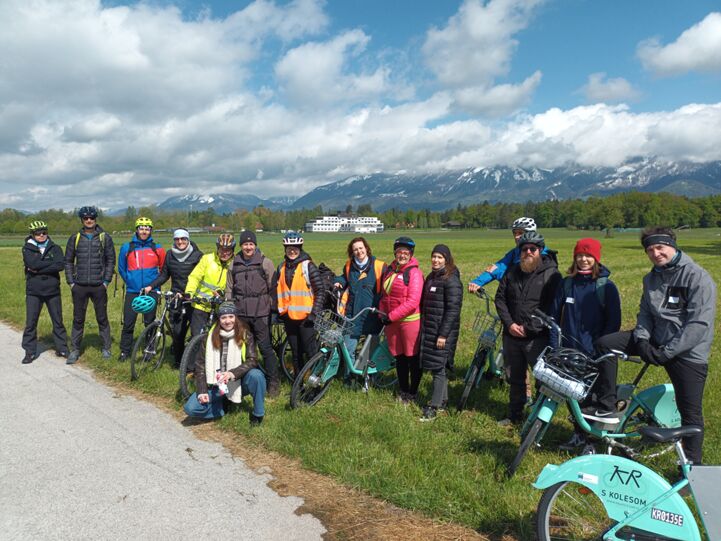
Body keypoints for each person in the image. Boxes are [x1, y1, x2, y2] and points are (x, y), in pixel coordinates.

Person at [595, 227, 716, 465]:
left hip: (688, 352)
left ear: (673, 245)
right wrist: (641, 341)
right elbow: (646, 314)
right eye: (650, 249)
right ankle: (607, 405)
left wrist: (665, 353)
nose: (655, 253)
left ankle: (692, 465)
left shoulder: (697, 277)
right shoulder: (650, 278)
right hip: (654, 340)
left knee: (690, 413)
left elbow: (698, 325)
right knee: (604, 344)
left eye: (660, 247)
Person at [549, 238, 622, 449]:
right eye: (580, 255)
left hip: (595, 351)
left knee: (592, 396)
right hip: (569, 350)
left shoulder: (606, 287)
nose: (583, 260)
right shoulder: (567, 284)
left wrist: (601, 347)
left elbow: (613, 322)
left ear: (596, 259)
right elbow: (554, 316)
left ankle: (591, 438)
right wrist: (555, 347)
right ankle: (578, 435)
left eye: (588, 256)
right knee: (574, 395)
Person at [495, 231, 561, 425]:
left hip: (537, 338)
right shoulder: (512, 271)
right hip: (511, 336)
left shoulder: (552, 274)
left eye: (533, 248)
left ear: (540, 250)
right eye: (524, 249)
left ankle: (538, 420)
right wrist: (510, 324)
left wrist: (529, 328)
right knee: (514, 378)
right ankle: (515, 416)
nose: (528, 252)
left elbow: (551, 306)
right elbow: (500, 299)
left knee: (542, 381)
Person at [183, 301, 266, 425]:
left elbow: (252, 360)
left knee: (257, 376)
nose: (228, 321)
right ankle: (222, 407)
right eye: (224, 317)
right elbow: (200, 365)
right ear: (219, 319)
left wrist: (232, 373)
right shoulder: (209, 337)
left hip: (238, 383)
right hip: (216, 385)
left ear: (236, 317)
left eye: (231, 317)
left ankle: (258, 414)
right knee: (190, 408)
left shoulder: (245, 334)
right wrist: (202, 391)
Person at [225, 230, 281, 398]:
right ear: (241, 246)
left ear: (255, 245)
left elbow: (273, 287)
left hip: (261, 313)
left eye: (251, 244)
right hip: (241, 313)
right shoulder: (234, 264)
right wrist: (229, 309)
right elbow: (229, 288)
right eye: (245, 244)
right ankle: (247, 381)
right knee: (244, 350)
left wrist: (272, 307)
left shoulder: (265, 263)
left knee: (265, 348)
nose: (248, 247)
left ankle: (273, 382)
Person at [144, 229, 203, 367]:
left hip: (192, 299)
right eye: (177, 239)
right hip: (176, 298)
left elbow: (202, 277)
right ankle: (178, 362)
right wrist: (150, 286)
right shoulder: (170, 254)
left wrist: (191, 293)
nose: (180, 242)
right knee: (177, 333)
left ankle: (193, 366)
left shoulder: (198, 255)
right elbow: (165, 274)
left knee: (195, 333)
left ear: (188, 240)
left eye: (183, 239)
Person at [64, 206, 115, 364]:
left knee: (102, 318)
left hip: (99, 286)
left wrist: (106, 282)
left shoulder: (104, 237)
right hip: (79, 286)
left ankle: (106, 348)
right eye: (85, 218)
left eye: (91, 218)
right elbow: (68, 261)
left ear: (95, 219)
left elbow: (110, 260)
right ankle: (75, 349)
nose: (88, 221)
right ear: (81, 220)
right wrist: (71, 282)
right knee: (78, 319)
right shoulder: (75, 238)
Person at [419, 244, 463, 421]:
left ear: (447, 259)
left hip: (442, 332)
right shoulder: (432, 277)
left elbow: (453, 310)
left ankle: (434, 406)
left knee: (438, 368)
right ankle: (443, 400)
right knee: (439, 367)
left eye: (440, 257)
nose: (436, 260)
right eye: (434, 256)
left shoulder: (451, 280)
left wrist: (443, 334)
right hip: (431, 329)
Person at [271, 231, 324, 376]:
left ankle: (316, 384)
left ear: (300, 248)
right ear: (285, 249)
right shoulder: (281, 267)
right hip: (289, 318)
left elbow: (320, 291)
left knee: (311, 352)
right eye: (289, 248)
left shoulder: (308, 266)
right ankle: (298, 385)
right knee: (296, 353)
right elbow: (278, 290)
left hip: (307, 319)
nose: (292, 250)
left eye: (295, 247)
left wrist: (314, 314)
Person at [379, 236, 424, 403]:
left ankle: (413, 392)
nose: (402, 255)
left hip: (409, 322)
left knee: (412, 358)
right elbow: (384, 296)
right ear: (395, 253)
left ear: (411, 255)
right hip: (392, 323)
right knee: (399, 358)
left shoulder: (415, 273)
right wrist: (382, 313)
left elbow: (413, 302)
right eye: (399, 252)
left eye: (406, 253)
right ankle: (403, 390)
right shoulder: (390, 271)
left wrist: (390, 316)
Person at [117, 217, 166, 361]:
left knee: (149, 323)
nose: (144, 231)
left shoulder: (157, 248)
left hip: (151, 291)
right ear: (137, 230)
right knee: (128, 322)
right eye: (141, 228)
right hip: (133, 291)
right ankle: (124, 351)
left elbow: (163, 270)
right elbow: (121, 268)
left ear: (151, 230)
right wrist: (131, 282)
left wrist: (154, 284)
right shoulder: (127, 247)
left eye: (147, 228)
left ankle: (149, 350)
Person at [21, 220, 68, 364]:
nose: (41, 235)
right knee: (31, 322)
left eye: (44, 232)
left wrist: (38, 269)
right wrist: (49, 264)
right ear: (32, 234)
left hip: (52, 290)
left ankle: (62, 348)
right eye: (38, 233)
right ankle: (29, 351)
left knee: (58, 321)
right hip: (34, 291)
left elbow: (61, 265)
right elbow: (31, 264)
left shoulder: (55, 247)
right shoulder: (27, 248)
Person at [333, 237, 386, 362]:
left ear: (366, 248)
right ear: (352, 252)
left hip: (372, 315)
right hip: (353, 314)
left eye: (361, 248)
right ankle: (350, 378)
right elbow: (345, 278)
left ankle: (369, 377)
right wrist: (338, 282)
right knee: (348, 349)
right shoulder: (348, 266)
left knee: (369, 353)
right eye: (355, 249)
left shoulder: (379, 266)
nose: (359, 251)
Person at [469, 217, 549, 292]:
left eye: (520, 233)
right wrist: (477, 282)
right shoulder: (515, 252)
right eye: (515, 233)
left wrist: (500, 274)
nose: (517, 237)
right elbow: (498, 267)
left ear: (531, 234)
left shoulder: (542, 254)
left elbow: (523, 276)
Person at [185, 233, 236, 342]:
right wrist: (189, 292)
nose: (224, 253)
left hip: (219, 306)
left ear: (233, 250)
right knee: (196, 338)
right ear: (217, 248)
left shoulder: (235, 264)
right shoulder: (207, 259)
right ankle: (196, 358)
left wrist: (223, 294)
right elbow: (195, 276)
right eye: (222, 249)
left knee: (217, 339)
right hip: (201, 305)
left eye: (228, 250)